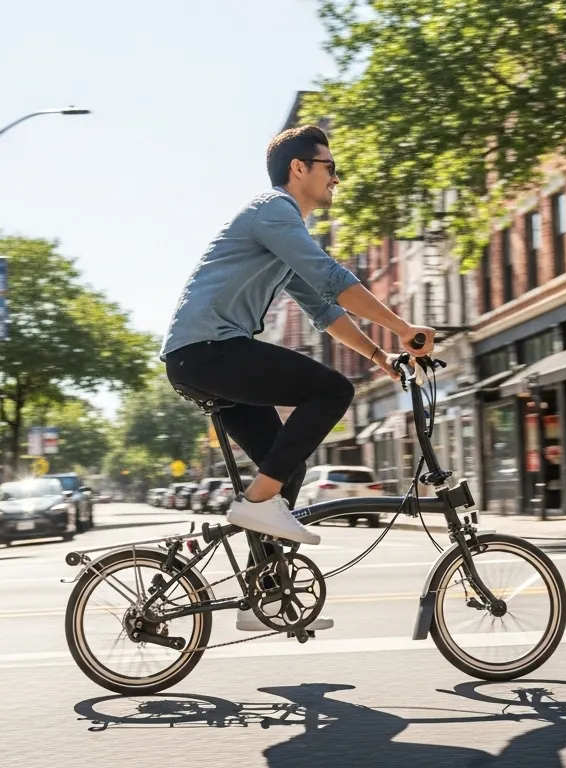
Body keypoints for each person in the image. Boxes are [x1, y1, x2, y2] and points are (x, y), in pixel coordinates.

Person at [160, 125, 435, 631]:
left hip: (207, 356)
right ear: (299, 168)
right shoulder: (274, 210)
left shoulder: (282, 232)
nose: (337, 178)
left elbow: (324, 309)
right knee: (332, 390)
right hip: (207, 351)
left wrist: (382, 356)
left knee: (287, 469)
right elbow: (332, 277)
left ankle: (261, 599)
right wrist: (404, 329)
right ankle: (255, 504)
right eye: (330, 167)